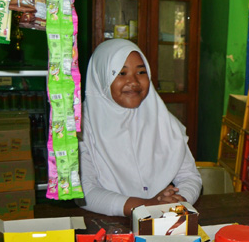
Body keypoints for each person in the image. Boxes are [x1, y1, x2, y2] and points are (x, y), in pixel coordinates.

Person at [78, 39, 202, 217]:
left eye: (141, 72)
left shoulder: (164, 120)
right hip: (110, 227)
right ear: (101, 77)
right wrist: (146, 206)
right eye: (121, 73)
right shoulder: (82, 127)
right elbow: (85, 192)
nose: (134, 81)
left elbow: (190, 176)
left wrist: (176, 201)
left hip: (165, 219)